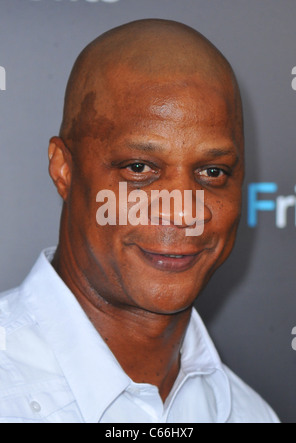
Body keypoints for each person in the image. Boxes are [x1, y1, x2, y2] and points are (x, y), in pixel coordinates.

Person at [0, 19, 279, 423]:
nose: (183, 211)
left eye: (213, 172)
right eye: (139, 167)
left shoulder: (250, 415)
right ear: (64, 169)